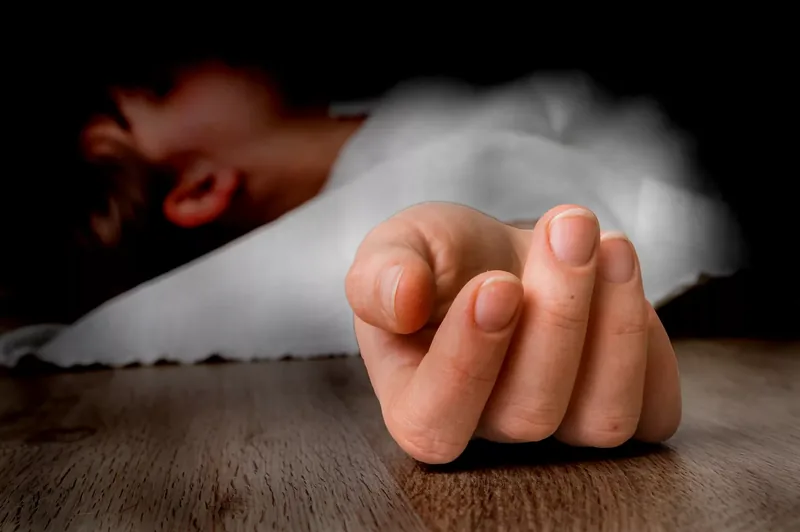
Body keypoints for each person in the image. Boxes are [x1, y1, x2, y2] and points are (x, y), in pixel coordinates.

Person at [3, 53, 698, 464]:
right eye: (150, 94)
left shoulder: (400, 103)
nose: (153, 72)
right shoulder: (384, 214)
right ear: (200, 189)